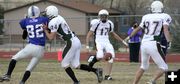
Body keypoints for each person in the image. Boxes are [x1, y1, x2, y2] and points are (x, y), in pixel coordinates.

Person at [43, 5, 103, 84]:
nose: (45, 14)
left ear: (50, 14)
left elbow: (50, 37)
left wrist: (45, 30)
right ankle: (96, 70)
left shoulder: (53, 22)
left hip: (70, 42)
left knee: (64, 64)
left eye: (46, 13)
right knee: (76, 65)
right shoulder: (59, 17)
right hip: (75, 40)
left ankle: (76, 82)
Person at [124, 1, 172, 84]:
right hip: (153, 43)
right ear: (161, 8)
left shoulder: (146, 16)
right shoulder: (165, 16)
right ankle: (152, 81)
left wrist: (129, 37)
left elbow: (138, 28)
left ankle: (134, 83)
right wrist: (169, 41)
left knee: (144, 66)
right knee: (164, 67)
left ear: (152, 8)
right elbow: (165, 29)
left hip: (144, 43)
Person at [0, 6, 49, 84]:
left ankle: (8, 75)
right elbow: (46, 23)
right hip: (41, 49)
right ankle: (22, 81)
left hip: (31, 46)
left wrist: (26, 20)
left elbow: (24, 36)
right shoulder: (44, 20)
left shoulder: (24, 21)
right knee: (29, 68)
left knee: (14, 58)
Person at [86, 9, 127, 80]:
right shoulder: (96, 23)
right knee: (100, 56)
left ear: (107, 16)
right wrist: (87, 46)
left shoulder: (110, 23)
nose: (104, 18)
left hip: (106, 41)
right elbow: (89, 34)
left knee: (111, 57)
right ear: (99, 16)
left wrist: (122, 41)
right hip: (98, 41)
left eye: (105, 16)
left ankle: (107, 75)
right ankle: (93, 58)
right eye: (102, 16)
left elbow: (113, 34)